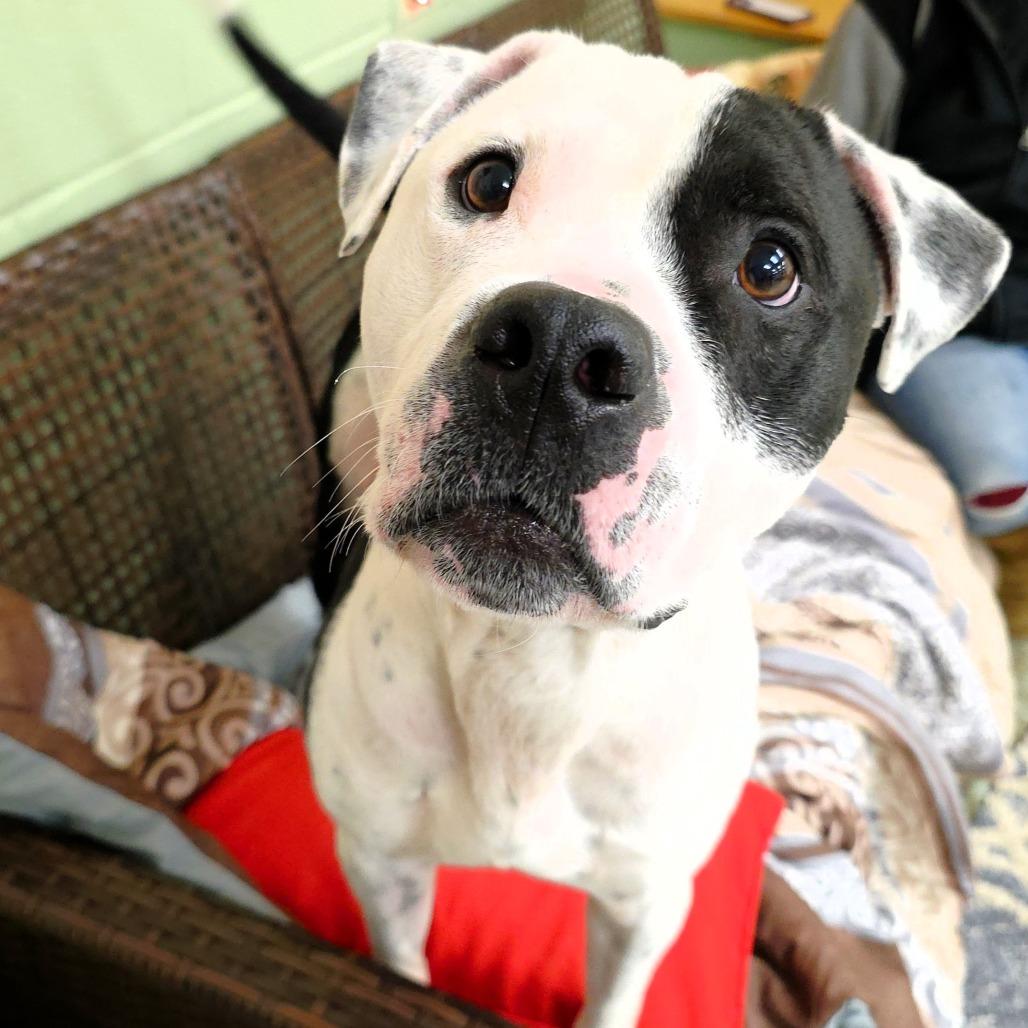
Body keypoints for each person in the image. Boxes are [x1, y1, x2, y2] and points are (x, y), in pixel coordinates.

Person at [806, 0, 1028, 637]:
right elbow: (821, 174)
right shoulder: (896, 18)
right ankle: (999, 615)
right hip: (942, 314)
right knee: (1001, 479)